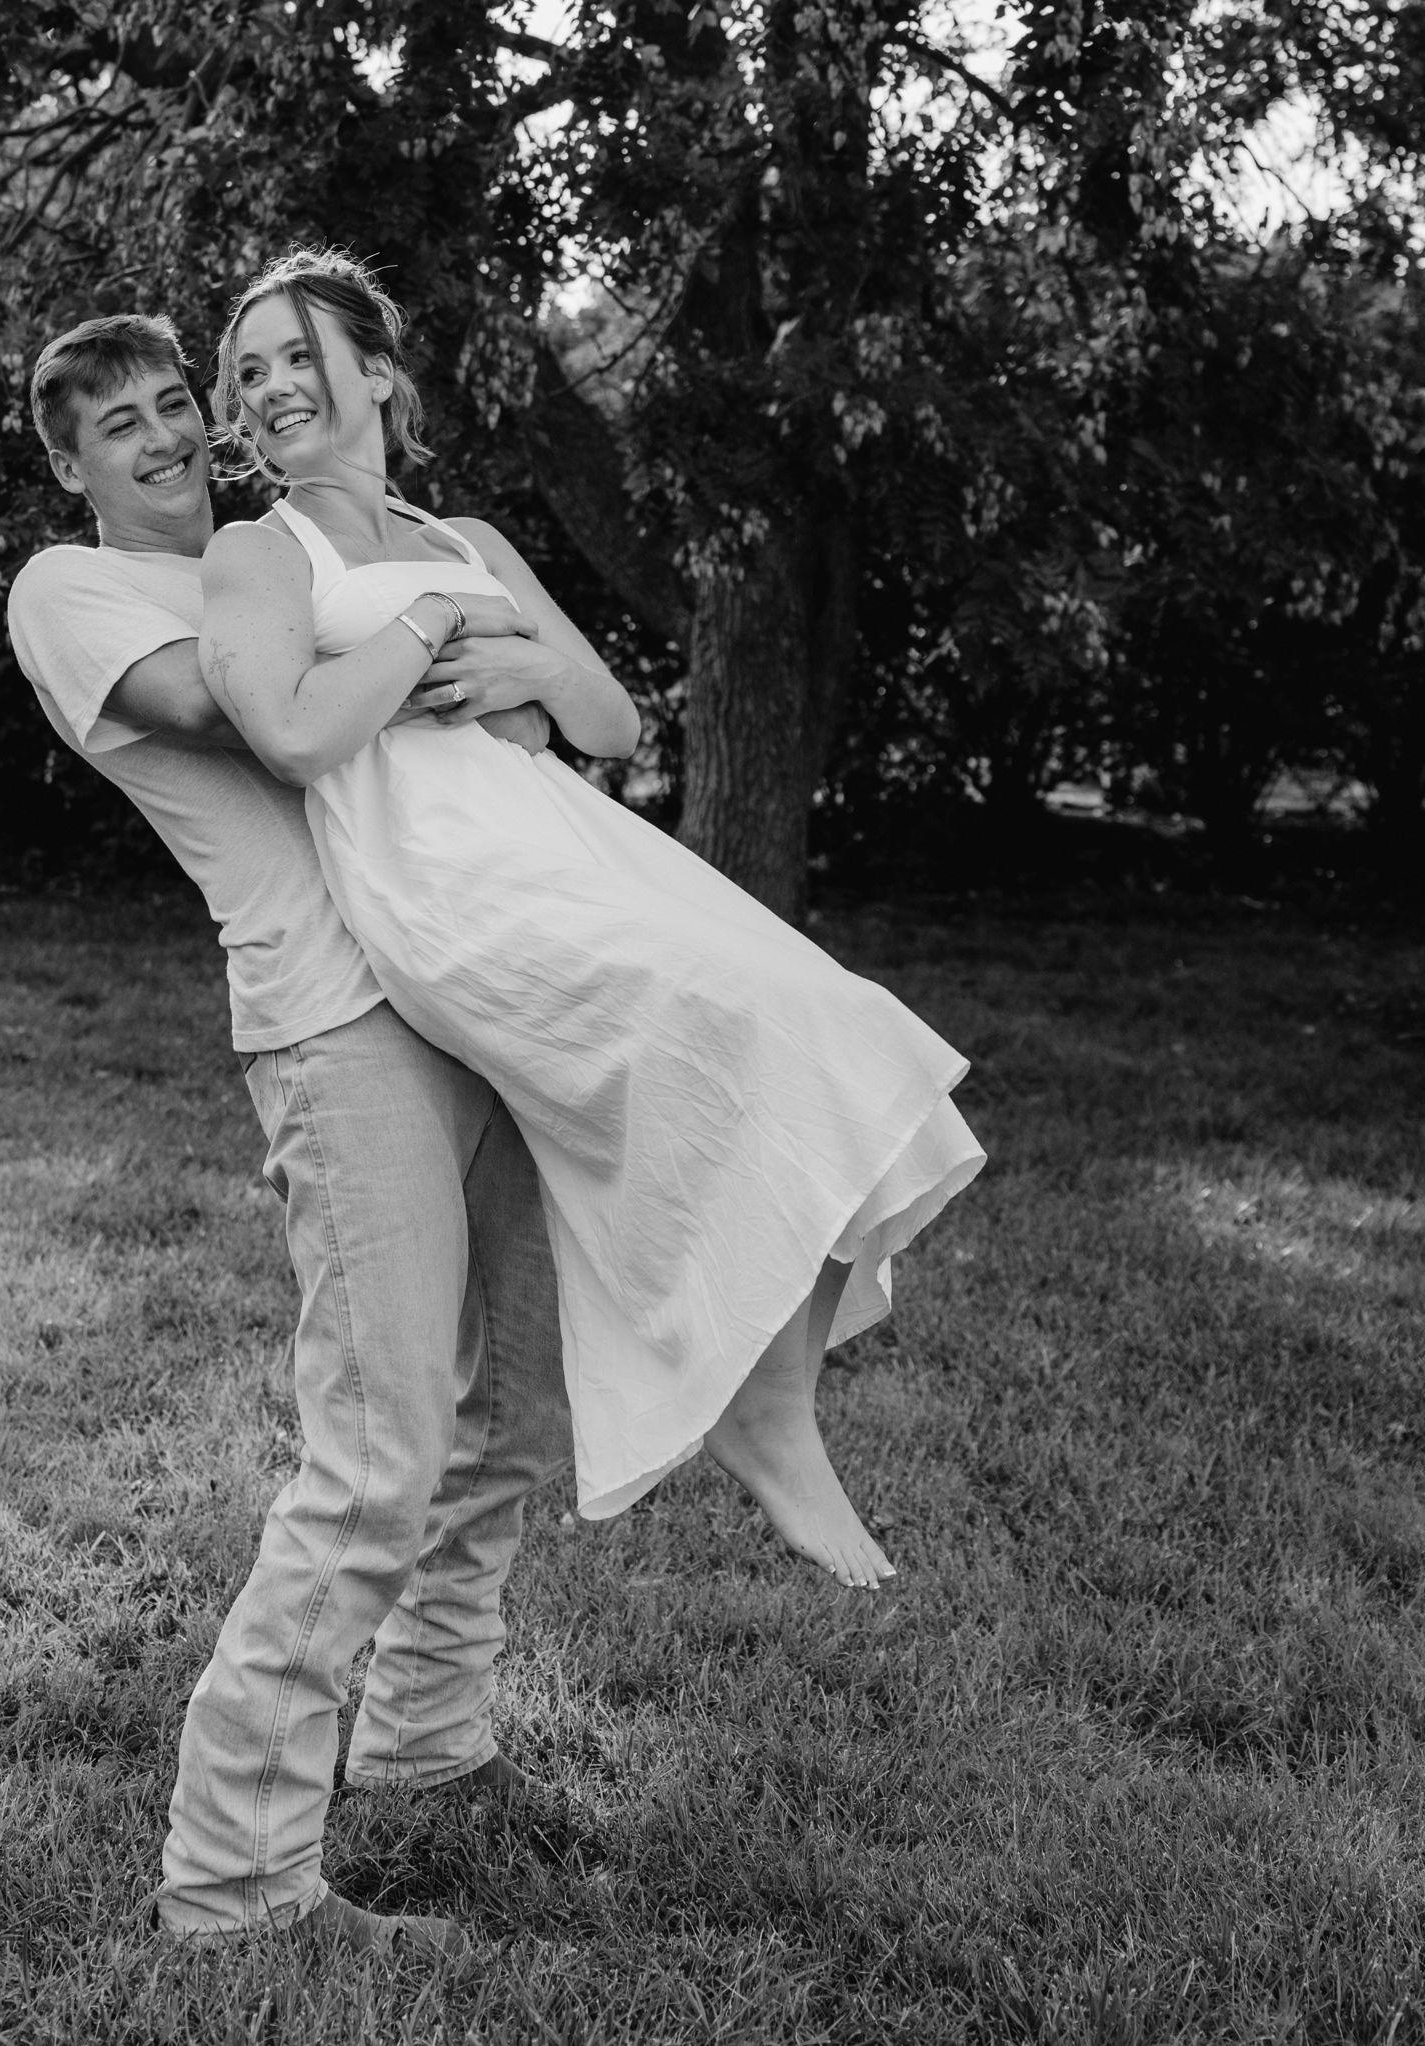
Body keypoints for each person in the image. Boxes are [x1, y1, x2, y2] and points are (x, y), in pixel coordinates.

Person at [196, 249, 988, 1598]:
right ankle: (747, 1399)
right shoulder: (262, 551)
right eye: (249, 370)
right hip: (445, 878)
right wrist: (435, 627)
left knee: (834, 1024)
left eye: (296, 357)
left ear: (377, 374)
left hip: (570, 844)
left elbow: (610, 722)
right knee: (728, 1030)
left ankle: (773, 1400)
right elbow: (292, 732)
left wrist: (517, 658)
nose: (269, 388)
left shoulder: (469, 539)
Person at [6, 313, 581, 1958]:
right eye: (118, 424)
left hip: (478, 987)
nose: (165, 435)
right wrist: (448, 620)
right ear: (71, 466)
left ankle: (427, 1729)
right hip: (337, 1022)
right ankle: (237, 1883)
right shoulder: (74, 588)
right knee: (378, 1449)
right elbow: (253, 712)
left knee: (512, 1406)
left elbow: (527, 722)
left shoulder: (298, 550)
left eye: (174, 402)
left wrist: (483, 648)